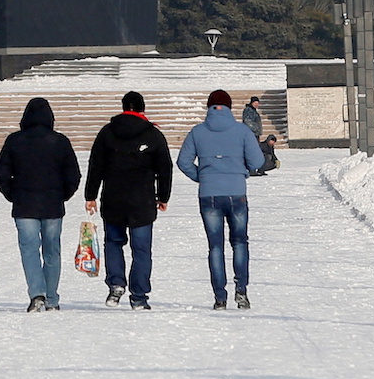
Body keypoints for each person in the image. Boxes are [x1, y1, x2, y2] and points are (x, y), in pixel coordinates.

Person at [180, 88, 269, 310]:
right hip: (236, 191)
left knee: (215, 246)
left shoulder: (197, 132)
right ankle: (241, 291)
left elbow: (183, 162)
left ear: (209, 107)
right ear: (229, 107)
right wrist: (242, 170)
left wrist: (202, 176)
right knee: (239, 242)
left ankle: (220, 296)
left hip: (209, 194)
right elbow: (257, 160)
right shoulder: (242, 131)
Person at [83, 88, 172, 309]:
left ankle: (116, 285)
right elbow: (165, 168)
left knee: (113, 243)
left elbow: (96, 165)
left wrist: (91, 195)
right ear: (143, 109)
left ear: (123, 108)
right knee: (141, 249)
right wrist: (163, 196)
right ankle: (139, 296)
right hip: (142, 200)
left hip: (113, 198)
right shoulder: (153, 134)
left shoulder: (107, 132)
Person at [0, 95, 81, 312]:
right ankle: (51, 298)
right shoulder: (60, 141)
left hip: (24, 205)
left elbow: (1, 174)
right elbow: (73, 175)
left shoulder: (14, 140)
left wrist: (13, 194)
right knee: (52, 252)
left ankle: (37, 294)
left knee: (30, 251)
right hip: (52, 204)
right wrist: (63, 195)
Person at [242, 95, 283, 172]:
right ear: (251, 103)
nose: (257, 104)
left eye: (258, 103)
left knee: (255, 152)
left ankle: (257, 169)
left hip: (254, 134)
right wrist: (256, 129)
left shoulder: (253, 111)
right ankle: (252, 170)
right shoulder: (248, 110)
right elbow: (247, 121)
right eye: (255, 102)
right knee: (252, 152)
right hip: (251, 135)